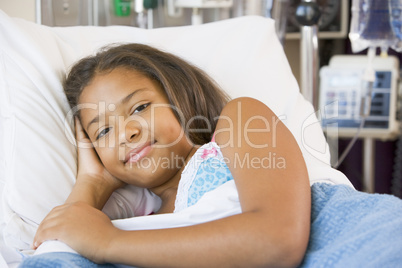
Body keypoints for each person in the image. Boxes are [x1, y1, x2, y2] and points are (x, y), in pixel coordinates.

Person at [22, 43, 311, 267]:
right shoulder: (141, 217)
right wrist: (91, 183)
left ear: (179, 98)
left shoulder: (240, 121)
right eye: (104, 132)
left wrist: (108, 241)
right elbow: (57, 255)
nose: (126, 133)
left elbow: (278, 239)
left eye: (139, 108)